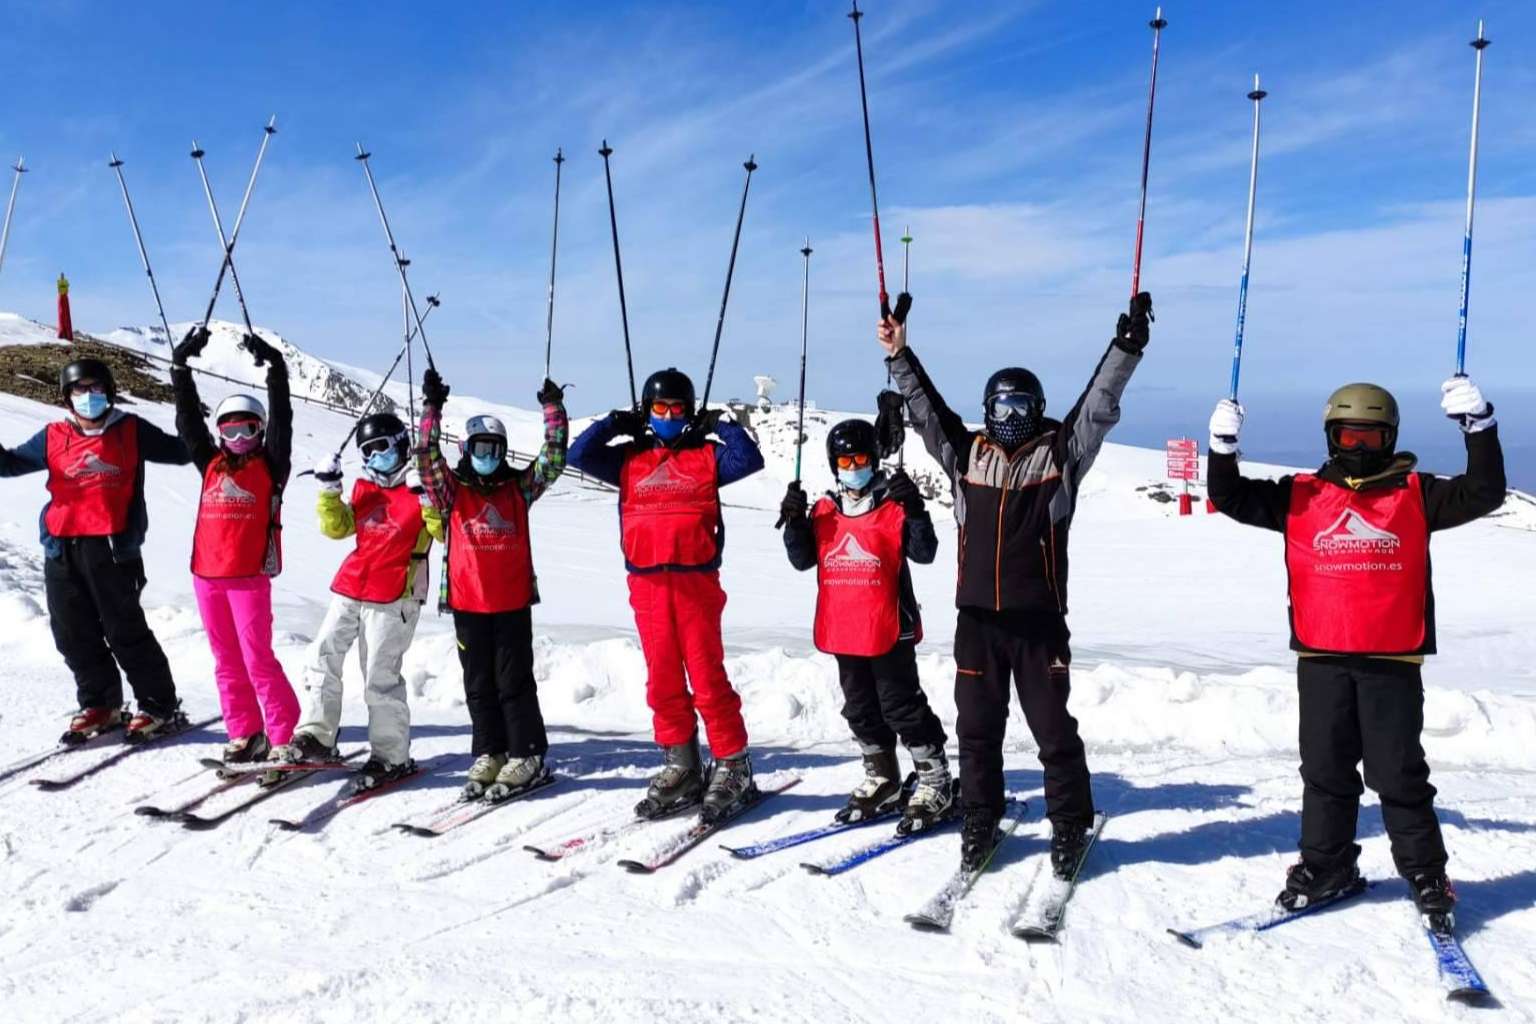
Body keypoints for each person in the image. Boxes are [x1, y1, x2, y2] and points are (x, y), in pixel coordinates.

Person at [1206, 377, 1505, 929]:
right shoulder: (1300, 496)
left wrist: (1479, 427)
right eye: (1348, 435)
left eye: (1370, 438)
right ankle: (1328, 868)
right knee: (1325, 772)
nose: (1358, 448)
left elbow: (1485, 493)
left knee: (1398, 777)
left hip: (1391, 660)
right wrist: (1223, 451)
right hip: (1321, 658)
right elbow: (1228, 497)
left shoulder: (1416, 494)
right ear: (1330, 436)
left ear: (1389, 438)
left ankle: (1425, 874)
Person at [879, 293, 1154, 873]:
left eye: (1020, 406)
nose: (1009, 417)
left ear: (1037, 408)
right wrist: (900, 355)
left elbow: (1097, 406)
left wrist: (1125, 347)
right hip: (976, 622)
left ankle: (1070, 826)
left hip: (1038, 623)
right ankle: (980, 820)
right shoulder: (966, 454)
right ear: (987, 409)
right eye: (1000, 407)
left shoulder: (1060, 454)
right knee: (977, 732)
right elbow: (925, 409)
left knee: (1054, 732)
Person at [568, 368, 764, 822]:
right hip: (647, 583)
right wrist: (616, 425)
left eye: (678, 409)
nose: (670, 416)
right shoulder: (629, 460)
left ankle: (733, 763)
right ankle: (681, 763)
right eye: (660, 409)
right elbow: (579, 454)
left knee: (707, 677)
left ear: (690, 412)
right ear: (647, 411)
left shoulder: (706, 457)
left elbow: (749, 459)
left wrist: (719, 426)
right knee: (662, 681)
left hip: (695, 583)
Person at [0, 357, 192, 742]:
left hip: (112, 550)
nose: (88, 396)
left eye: (96, 389)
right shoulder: (53, 435)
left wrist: (186, 398)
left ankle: (158, 704)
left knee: (125, 631)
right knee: (72, 632)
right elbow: (9, 465)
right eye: (79, 390)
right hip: (61, 548)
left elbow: (185, 451)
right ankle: (100, 704)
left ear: (109, 392)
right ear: (67, 398)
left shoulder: (130, 430)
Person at [779, 417, 951, 832]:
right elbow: (803, 561)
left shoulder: (891, 505)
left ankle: (935, 780)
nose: (852, 466)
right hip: (845, 627)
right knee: (859, 707)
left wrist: (915, 510)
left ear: (874, 460)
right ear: (832, 464)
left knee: (901, 706)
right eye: (844, 460)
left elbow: (924, 552)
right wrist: (795, 525)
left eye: (859, 458)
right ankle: (883, 776)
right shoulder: (824, 510)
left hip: (889, 626)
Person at [417, 367, 567, 800]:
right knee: (478, 684)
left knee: (513, 681)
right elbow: (426, 458)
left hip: (511, 603)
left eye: (496, 448)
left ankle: (527, 754)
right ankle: (491, 751)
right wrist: (432, 408)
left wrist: (553, 411)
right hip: (467, 604)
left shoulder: (518, 489)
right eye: (481, 447)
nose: (488, 455)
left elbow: (553, 460)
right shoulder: (451, 491)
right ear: (467, 449)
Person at [275, 411, 445, 792]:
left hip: (394, 594)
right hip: (352, 584)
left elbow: (443, 531)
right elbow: (336, 528)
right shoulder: (364, 487)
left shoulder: (419, 487)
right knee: (322, 656)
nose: (373, 457)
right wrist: (329, 490)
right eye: (365, 451)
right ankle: (316, 735)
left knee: (379, 677)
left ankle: (391, 755)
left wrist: (429, 497)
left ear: (400, 444)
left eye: (380, 448)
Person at [171, 327, 299, 764]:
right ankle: (246, 733)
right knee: (225, 660)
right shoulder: (210, 463)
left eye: (248, 429)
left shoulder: (271, 465)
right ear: (220, 433)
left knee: (257, 659)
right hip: (206, 576)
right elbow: (187, 423)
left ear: (261, 431)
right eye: (230, 430)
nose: (239, 437)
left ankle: (282, 736)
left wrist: (276, 370)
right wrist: (179, 369)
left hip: (248, 579)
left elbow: (284, 419)